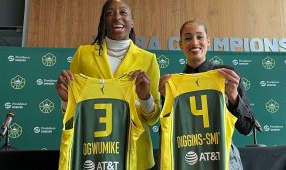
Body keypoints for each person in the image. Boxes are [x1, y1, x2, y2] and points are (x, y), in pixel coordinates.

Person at [56, 0, 160, 169]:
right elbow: (73, 113)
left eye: (123, 13)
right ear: (104, 21)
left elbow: (152, 118)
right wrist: (66, 100)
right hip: (93, 151)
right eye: (110, 13)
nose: (117, 17)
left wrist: (145, 97)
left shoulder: (148, 59)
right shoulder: (83, 54)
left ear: (132, 22)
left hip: (135, 154)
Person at [159, 20, 255, 170]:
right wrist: (167, 99)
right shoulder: (173, 85)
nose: (194, 42)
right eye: (188, 38)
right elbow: (166, 135)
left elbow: (247, 128)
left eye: (200, 37)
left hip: (225, 161)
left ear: (208, 41)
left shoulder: (228, 75)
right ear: (180, 44)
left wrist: (233, 96)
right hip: (188, 161)